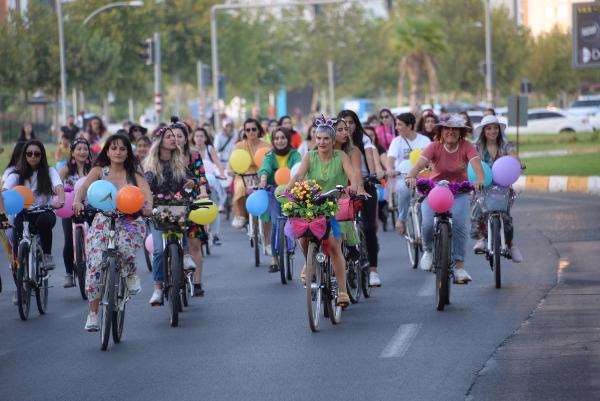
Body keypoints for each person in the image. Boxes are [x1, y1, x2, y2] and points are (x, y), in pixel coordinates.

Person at [73, 133, 152, 331]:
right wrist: (76, 201)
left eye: (122, 149)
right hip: (103, 219)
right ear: (107, 151)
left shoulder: (134, 173)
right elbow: (84, 188)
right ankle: (92, 314)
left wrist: (148, 205)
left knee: (124, 248)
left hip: (130, 220)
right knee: (95, 265)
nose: (118, 152)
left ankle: (131, 273)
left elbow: (146, 192)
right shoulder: (100, 170)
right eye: (114, 148)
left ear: (128, 153)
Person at [287, 117, 369, 308]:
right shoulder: (310, 156)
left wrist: (354, 189)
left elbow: (352, 175)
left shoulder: (341, 156)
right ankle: (310, 264)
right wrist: (287, 190)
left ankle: (342, 292)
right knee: (302, 233)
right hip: (313, 203)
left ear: (333, 141)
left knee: (333, 246)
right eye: (318, 138)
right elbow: (299, 175)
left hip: (336, 205)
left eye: (326, 139)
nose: (321, 142)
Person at [405, 114, 485, 284]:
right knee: (426, 223)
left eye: (455, 129)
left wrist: (480, 180)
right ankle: (428, 250)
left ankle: (459, 267)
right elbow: (419, 165)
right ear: (440, 131)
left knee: (459, 225)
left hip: (459, 192)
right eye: (447, 129)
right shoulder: (434, 146)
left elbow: (477, 165)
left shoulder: (467, 146)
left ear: (461, 132)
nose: (451, 132)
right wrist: (410, 177)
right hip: (434, 191)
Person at [144, 126, 199, 304]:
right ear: (160, 142)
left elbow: (192, 180)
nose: (173, 139)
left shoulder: (179, 161)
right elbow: (146, 183)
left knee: (182, 216)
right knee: (159, 251)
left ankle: (186, 256)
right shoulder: (151, 165)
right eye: (169, 137)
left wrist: (192, 183)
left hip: (177, 208)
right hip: (157, 210)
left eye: (174, 136)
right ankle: (158, 289)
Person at [337, 110, 384, 287]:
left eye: (351, 122)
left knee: (369, 227)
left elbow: (372, 158)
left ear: (356, 125)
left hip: (364, 184)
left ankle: (373, 270)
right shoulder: (334, 141)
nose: (347, 127)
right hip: (341, 187)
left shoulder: (364, 141)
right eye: (343, 123)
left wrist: (374, 173)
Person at [2, 140, 65, 270]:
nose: (33, 157)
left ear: (42, 156)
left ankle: (47, 255)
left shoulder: (49, 171)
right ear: (24, 156)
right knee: (16, 231)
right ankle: (20, 265)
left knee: (43, 222)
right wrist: (2, 212)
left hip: (45, 211)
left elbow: (59, 186)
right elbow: (3, 193)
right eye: (29, 154)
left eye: (37, 154)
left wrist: (61, 201)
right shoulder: (16, 175)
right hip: (24, 213)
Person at [470, 115, 523, 263]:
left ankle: (511, 245)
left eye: (495, 128)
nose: (492, 131)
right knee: (476, 209)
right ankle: (481, 238)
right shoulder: (476, 147)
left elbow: (514, 158)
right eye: (489, 128)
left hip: (502, 186)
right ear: (483, 131)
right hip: (482, 185)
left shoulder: (506, 145)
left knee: (506, 216)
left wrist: (518, 163)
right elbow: (471, 163)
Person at [172, 119, 210, 296]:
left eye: (180, 136)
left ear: (186, 138)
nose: (176, 139)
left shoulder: (194, 155)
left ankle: (197, 283)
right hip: (170, 204)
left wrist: (202, 192)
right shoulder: (163, 157)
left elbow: (201, 177)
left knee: (195, 243)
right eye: (172, 136)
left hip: (192, 201)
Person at [257, 127, 301, 272]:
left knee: (292, 220)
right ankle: (274, 259)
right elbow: (265, 168)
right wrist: (263, 179)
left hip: (291, 190)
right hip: (274, 191)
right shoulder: (270, 155)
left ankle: (290, 246)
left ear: (288, 139)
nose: (279, 141)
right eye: (276, 138)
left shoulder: (295, 154)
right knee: (276, 222)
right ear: (273, 140)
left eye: (283, 138)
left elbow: (299, 168)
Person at [387, 113, 431, 234]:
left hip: (423, 176)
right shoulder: (397, 141)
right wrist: (390, 169)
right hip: (403, 176)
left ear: (410, 126)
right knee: (403, 189)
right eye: (396, 124)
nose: (396, 127)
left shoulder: (424, 140)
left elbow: (431, 159)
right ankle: (401, 219)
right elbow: (390, 159)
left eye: (399, 125)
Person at [58, 137, 93, 287]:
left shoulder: (92, 169)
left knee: (94, 237)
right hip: (69, 207)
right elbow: (56, 184)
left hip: (89, 206)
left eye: (85, 149)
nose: (82, 152)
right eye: (79, 149)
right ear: (72, 152)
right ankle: (68, 273)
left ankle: (93, 266)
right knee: (68, 240)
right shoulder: (66, 169)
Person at [229, 118, 270, 229]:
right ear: (244, 132)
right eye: (248, 130)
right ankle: (241, 215)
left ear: (258, 130)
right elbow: (232, 164)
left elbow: (271, 161)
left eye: (253, 129)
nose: (251, 132)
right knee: (240, 187)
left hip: (262, 175)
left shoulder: (266, 145)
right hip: (243, 175)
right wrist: (231, 171)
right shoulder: (238, 146)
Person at [192, 126, 226, 246]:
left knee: (214, 205)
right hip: (195, 182)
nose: (199, 138)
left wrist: (222, 174)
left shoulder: (210, 149)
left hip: (211, 183)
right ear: (193, 138)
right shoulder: (191, 150)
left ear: (206, 138)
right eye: (197, 136)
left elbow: (218, 162)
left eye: (202, 136)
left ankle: (215, 234)